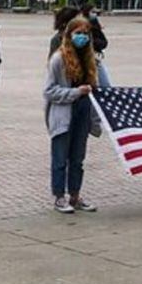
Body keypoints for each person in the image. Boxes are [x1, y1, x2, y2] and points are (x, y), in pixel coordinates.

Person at [45, 16, 99, 214]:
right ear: (69, 35)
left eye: (85, 34)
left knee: (78, 158)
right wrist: (75, 93)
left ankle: (75, 195)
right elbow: (49, 91)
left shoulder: (90, 59)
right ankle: (59, 196)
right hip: (64, 113)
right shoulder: (58, 59)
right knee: (60, 158)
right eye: (78, 33)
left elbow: (100, 87)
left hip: (83, 112)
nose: (82, 38)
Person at [80, 3, 111, 87]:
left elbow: (104, 42)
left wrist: (93, 42)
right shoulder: (79, 25)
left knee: (105, 84)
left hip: (96, 58)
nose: (95, 14)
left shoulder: (95, 24)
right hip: (83, 59)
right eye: (92, 12)